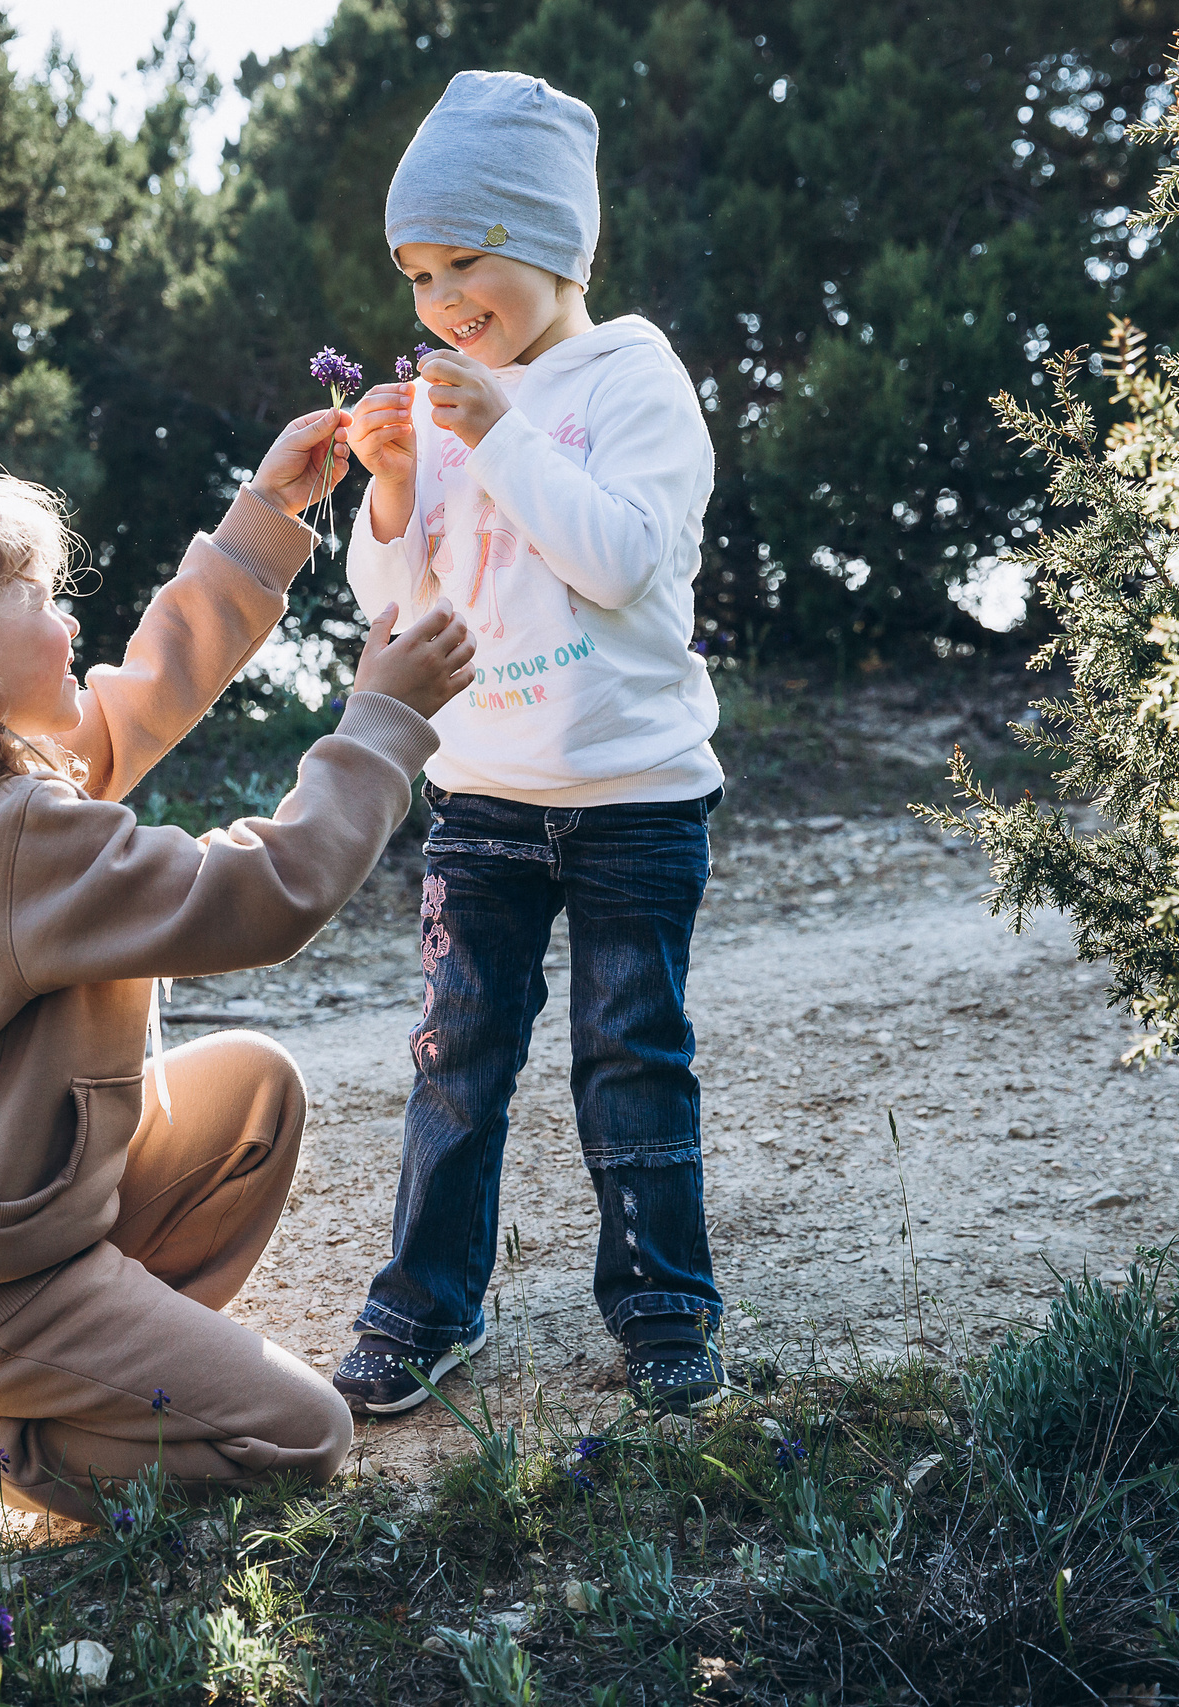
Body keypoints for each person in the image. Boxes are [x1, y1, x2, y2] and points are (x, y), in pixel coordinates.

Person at [0, 424, 475, 1585]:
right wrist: (382, 718)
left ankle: (38, 1379)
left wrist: (263, 526)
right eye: (40, 597)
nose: (69, 621)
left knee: (249, 1094)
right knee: (299, 1437)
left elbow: (126, 711)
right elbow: (267, 894)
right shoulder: (9, 835)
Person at [334, 69, 727, 1416]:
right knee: (456, 1053)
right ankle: (427, 1299)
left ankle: (667, 1304)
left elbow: (618, 559)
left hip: (634, 792)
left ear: (551, 243)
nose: (443, 302)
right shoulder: (453, 402)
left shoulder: (630, 374)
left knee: (631, 1054)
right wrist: (391, 489)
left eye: (466, 262)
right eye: (418, 276)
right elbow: (400, 609)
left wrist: (496, 434)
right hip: (485, 789)